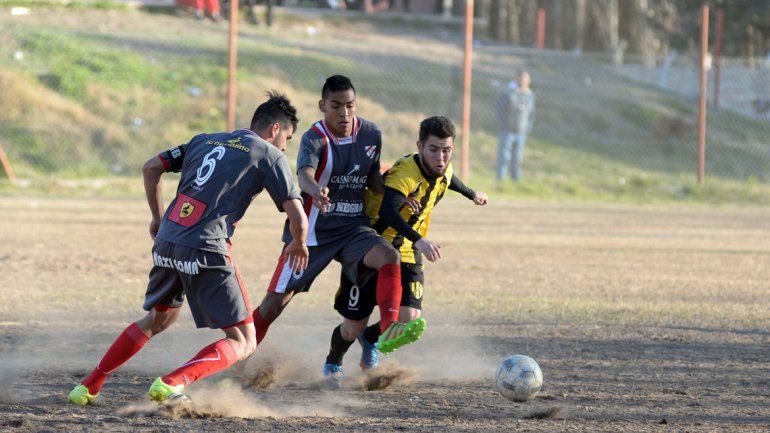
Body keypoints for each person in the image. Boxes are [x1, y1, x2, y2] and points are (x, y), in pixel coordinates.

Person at [68, 92, 308, 405]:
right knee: (244, 340)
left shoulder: (204, 139)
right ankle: (173, 383)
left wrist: (157, 218)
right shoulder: (269, 153)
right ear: (275, 129)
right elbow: (298, 216)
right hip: (206, 246)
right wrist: (300, 243)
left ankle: (88, 386)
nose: (285, 147)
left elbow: (151, 166)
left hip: (169, 238)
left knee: (159, 319)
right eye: (286, 138)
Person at [247, 75, 427, 380]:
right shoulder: (314, 138)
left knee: (389, 257)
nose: (345, 113)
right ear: (322, 106)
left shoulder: (371, 133)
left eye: (350, 106)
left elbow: (371, 177)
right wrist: (315, 189)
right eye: (336, 106)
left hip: (353, 228)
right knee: (273, 305)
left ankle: (389, 327)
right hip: (312, 234)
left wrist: (396, 194)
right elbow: (303, 174)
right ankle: (240, 353)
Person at [325, 116, 488, 385]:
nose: (440, 157)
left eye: (446, 150)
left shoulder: (443, 167)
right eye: (433, 149)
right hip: (372, 249)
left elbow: (450, 179)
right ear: (420, 146)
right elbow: (389, 210)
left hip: (408, 252)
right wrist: (420, 240)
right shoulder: (405, 173)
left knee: (409, 317)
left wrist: (472, 194)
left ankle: (372, 339)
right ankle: (333, 361)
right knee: (353, 325)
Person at [496, 71, 536, 182]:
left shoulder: (530, 95)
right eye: (522, 78)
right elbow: (500, 110)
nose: (523, 80)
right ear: (517, 79)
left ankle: (516, 181)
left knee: (517, 158)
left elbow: (532, 114)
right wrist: (503, 125)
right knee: (504, 157)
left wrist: (528, 128)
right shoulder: (509, 93)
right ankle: (500, 180)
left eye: (526, 78)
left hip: (521, 132)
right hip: (507, 131)